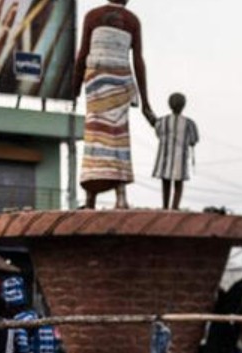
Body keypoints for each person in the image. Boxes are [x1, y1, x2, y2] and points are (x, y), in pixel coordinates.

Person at [73, 0, 155, 209]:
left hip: (97, 80)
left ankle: (93, 198)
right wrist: (145, 102)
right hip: (119, 81)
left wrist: (73, 89)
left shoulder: (93, 16)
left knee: (95, 137)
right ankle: (119, 196)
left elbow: (82, 54)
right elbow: (138, 61)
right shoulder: (132, 20)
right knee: (117, 137)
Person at [153, 92, 200, 210]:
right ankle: (175, 207)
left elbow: (158, 133)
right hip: (181, 158)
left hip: (164, 157)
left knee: (166, 182)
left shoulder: (162, 121)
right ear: (183, 106)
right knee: (178, 183)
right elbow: (194, 140)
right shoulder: (189, 123)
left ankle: (165, 206)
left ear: (169, 105)